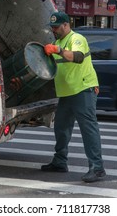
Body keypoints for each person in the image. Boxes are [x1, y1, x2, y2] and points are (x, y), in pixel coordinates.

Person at [41, 11, 106, 183]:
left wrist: (58, 50)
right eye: (52, 27)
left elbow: (77, 57)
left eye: (56, 27)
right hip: (67, 93)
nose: (54, 30)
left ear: (66, 25)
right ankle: (60, 161)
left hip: (83, 90)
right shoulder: (58, 41)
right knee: (61, 128)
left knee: (88, 129)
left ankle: (97, 168)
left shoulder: (76, 39)